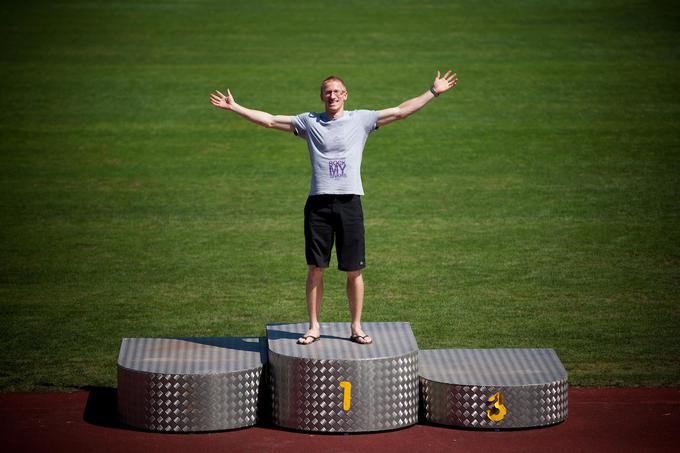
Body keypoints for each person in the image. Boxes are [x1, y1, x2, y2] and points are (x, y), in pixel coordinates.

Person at [210, 70, 458, 345]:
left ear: (345, 95)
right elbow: (269, 120)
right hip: (318, 204)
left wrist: (433, 92)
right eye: (327, 91)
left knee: (354, 270)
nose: (332, 95)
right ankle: (314, 327)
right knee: (316, 268)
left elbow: (400, 111)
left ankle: (356, 327)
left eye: (337, 91)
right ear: (321, 96)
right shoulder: (309, 122)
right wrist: (235, 107)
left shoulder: (361, 119)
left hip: (350, 202)